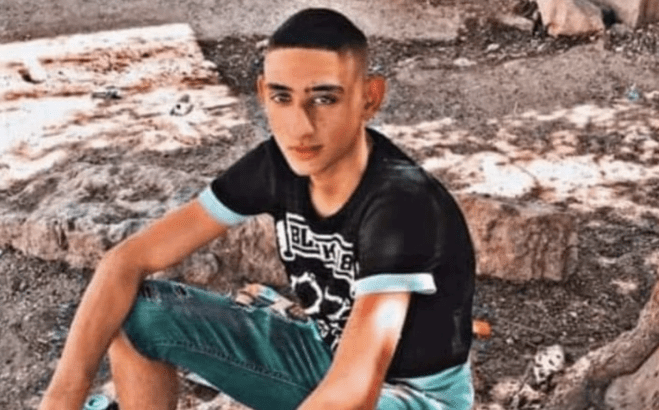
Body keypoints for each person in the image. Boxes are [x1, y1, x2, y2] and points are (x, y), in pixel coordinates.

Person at [39, 8, 475, 410]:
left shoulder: (401, 204)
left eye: (324, 99)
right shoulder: (276, 166)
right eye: (283, 98)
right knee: (134, 312)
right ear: (264, 94)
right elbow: (127, 260)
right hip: (325, 356)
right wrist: (61, 398)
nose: (300, 127)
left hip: (411, 396)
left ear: (369, 97)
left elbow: (356, 389)